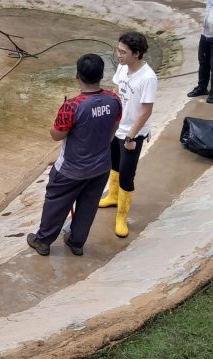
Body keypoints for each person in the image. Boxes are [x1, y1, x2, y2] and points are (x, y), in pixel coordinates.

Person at [27, 54, 122, 257]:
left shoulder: (72, 106)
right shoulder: (114, 100)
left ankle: (43, 241)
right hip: (101, 166)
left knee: (56, 203)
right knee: (88, 206)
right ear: (101, 75)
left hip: (70, 169)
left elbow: (56, 135)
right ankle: (76, 242)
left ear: (77, 76)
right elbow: (114, 127)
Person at [98, 32, 158, 238]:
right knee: (114, 165)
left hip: (132, 134)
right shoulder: (123, 68)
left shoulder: (148, 78)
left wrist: (131, 137)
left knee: (127, 174)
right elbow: (116, 90)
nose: (119, 55)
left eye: (123, 52)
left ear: (137, 53)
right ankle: (113, 197)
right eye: (118, 50)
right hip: (117, 128)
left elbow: (146, 111)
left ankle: (122, 216)